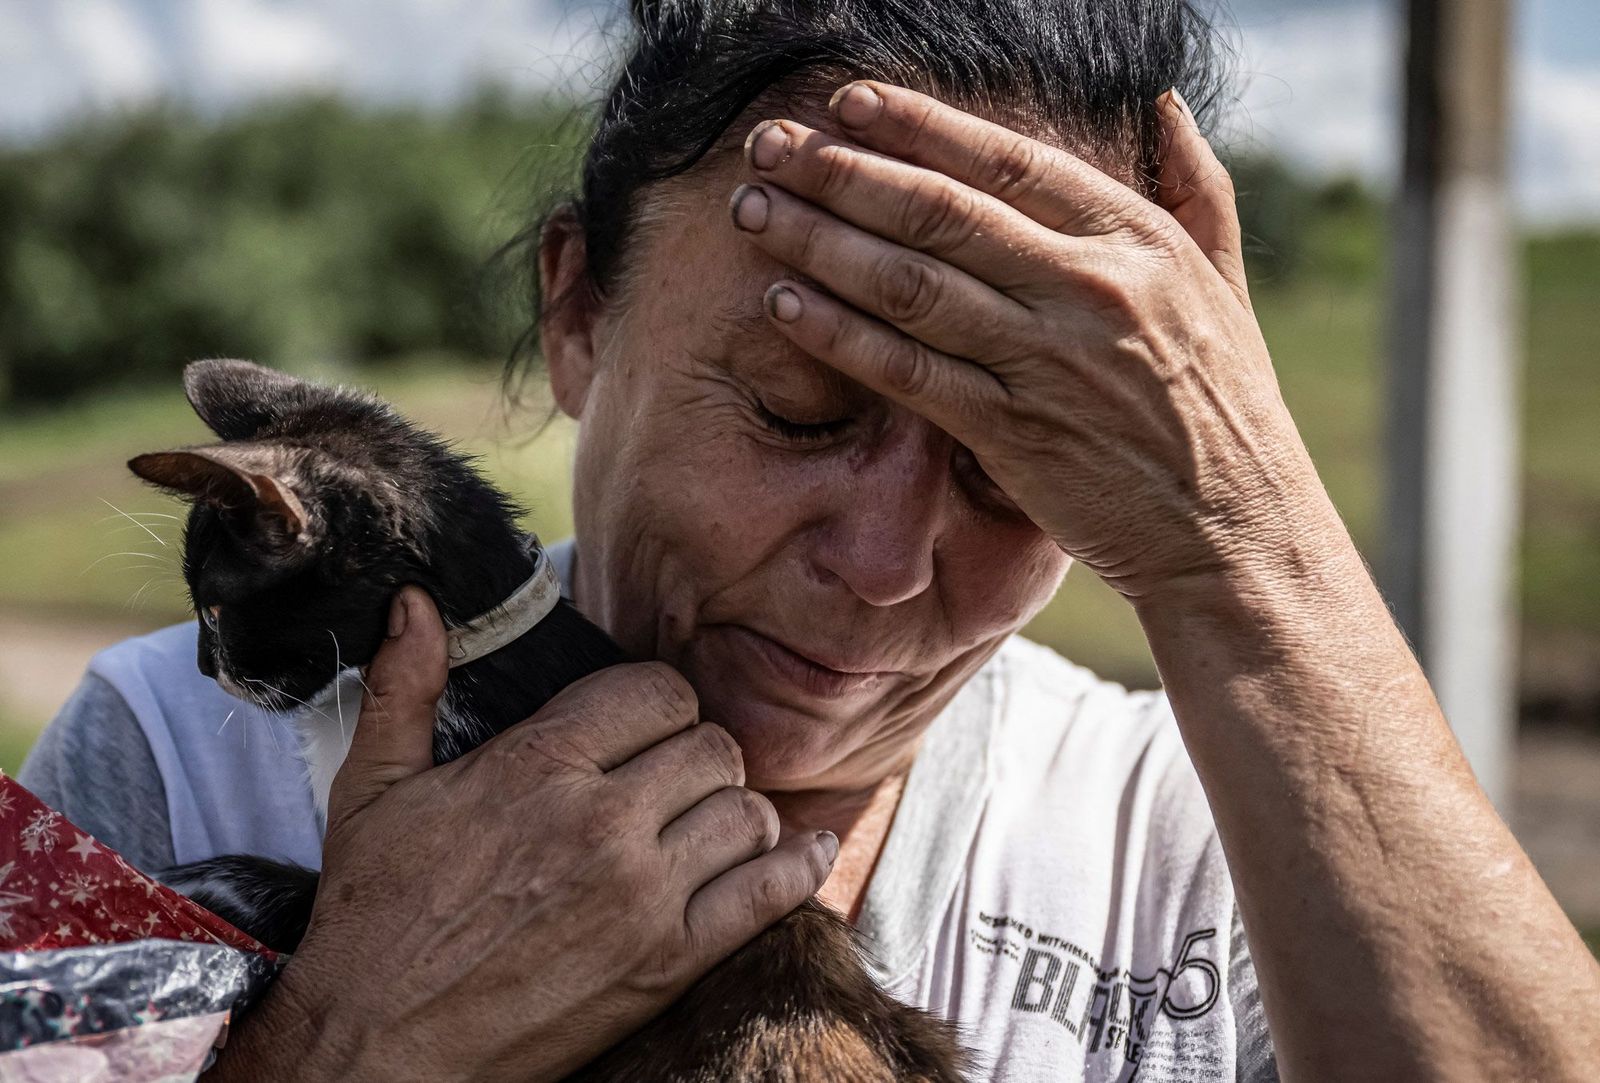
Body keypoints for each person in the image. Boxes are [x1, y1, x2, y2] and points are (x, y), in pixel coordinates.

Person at [22, 0, 1600, 1079]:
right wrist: (354, 1045)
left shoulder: (1218, 848)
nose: (887, 561)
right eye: (791, 410)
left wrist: (1249, 549)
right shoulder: (176, 762)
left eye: (1018, 464)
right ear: (578, 316)